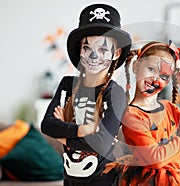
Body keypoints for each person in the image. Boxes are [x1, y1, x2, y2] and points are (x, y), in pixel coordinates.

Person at [41, 3, 132, 186]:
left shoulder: (114, 93)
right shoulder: (68, 85)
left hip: (104, 181)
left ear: (117, 53)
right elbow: (47, 125)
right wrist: (81, 130)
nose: (93, 56)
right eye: (87, 48)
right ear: (80, 51)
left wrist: (63, 134)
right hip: (69, 180)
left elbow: (102, 144)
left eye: (103, 49)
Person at [105, 40, 180, 185]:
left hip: (177, 175)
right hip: (149, 181)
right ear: (136, 66)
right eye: (151, 69)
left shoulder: (169, 108)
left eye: (164, 76)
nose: (156, 79)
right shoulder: (132, 115)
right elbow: (155, 159)